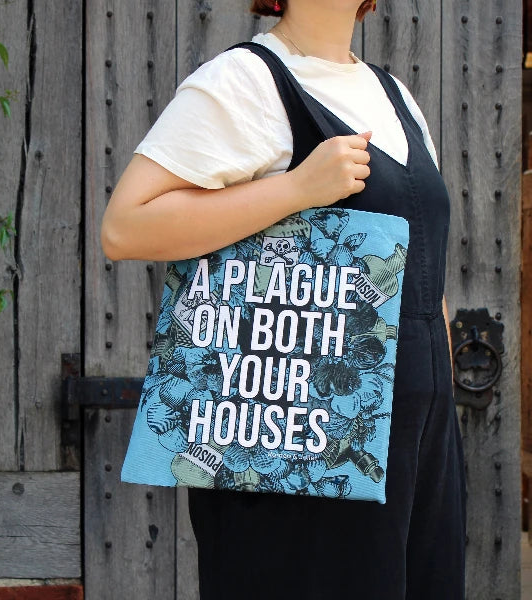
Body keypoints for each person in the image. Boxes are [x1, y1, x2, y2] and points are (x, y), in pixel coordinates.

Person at [101, 0, 467, 598]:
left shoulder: (393, 92)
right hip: (302, 431)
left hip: (418, 432)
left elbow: (423, 260)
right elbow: (126, 227)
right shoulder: (244, 79)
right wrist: (297, 189)